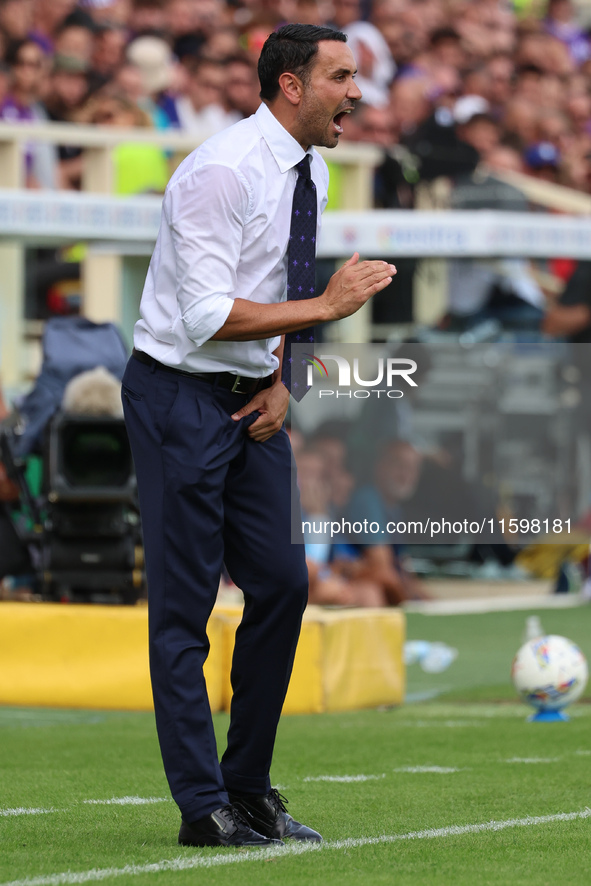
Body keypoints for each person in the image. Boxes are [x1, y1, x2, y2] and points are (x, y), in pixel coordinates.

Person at [121, 22, 396, 850]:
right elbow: (207, 317)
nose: (356, 91)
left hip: (253, 400)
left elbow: (288, 279)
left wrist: (286, 380)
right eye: (342, 76)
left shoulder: (308, 164)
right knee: (184, 608)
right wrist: (324, 311)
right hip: (178, 397)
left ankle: (248, 790)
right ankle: (202, 806)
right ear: (290, 84)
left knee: (282, 586)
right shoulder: (219, 172)